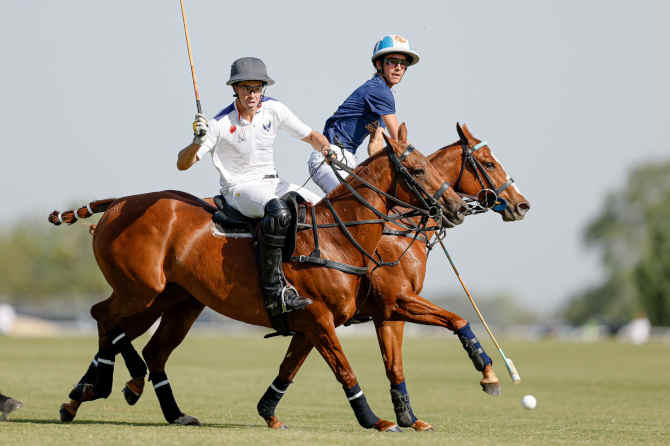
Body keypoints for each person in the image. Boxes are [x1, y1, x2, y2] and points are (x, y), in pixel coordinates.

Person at [177, 57, 333, 317]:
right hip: (238, 189)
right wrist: (197, 141)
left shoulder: (274, 109)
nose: (253, 94)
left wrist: (326, 149)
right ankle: (275, 291)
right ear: (235, 89)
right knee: (279, 211)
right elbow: (184, 164)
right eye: (246, 88)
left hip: (272, 182)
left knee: (321, 209)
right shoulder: (218, 124)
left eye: (258, 87)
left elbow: (311, 136)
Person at [308, 34, 420, 194]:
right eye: (393, 62)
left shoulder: (381, 99)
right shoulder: (380, 91)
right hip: (329, 157)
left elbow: (375, 145)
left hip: (346, 159)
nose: (398, 68)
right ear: (379, 64)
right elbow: (398, 141)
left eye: (403, 64)